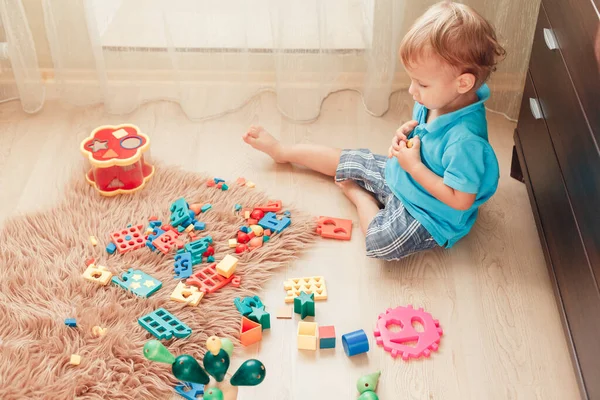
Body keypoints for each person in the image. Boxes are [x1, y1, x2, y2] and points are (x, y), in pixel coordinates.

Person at [243, 1, 506, 260]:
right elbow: (425, 136)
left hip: (430, 212)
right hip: (404, 175)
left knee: (380, 243)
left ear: (463, 83)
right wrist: (407, 134)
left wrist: (414, 167)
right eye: (412, 80)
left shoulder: (465, 142)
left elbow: (460, 200)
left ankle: (361, 197)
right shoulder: (442, 98)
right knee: (349, 159)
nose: (412, 91)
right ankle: (283, 151)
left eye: (422, 84)